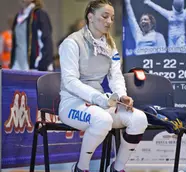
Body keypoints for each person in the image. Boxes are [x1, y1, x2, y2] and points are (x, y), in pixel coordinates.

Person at [58, 0, 148, 172]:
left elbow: (116, 76)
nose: (109, 21)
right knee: (102, 119)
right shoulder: (72, 43)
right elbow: (69, 81)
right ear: (90, 17)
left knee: (139, 119)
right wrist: (99, 98)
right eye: (104, 16)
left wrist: (122, 95)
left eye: (112, 18)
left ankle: (117, 167)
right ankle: (81, 168)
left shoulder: (110, 45)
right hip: (72, 104)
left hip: (100, 104)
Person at [10, 0, 53, 71]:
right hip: (17, 67)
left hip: (34, 68)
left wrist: (40, 65)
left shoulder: (39, 14)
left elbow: (46, 42)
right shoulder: (18, 16)